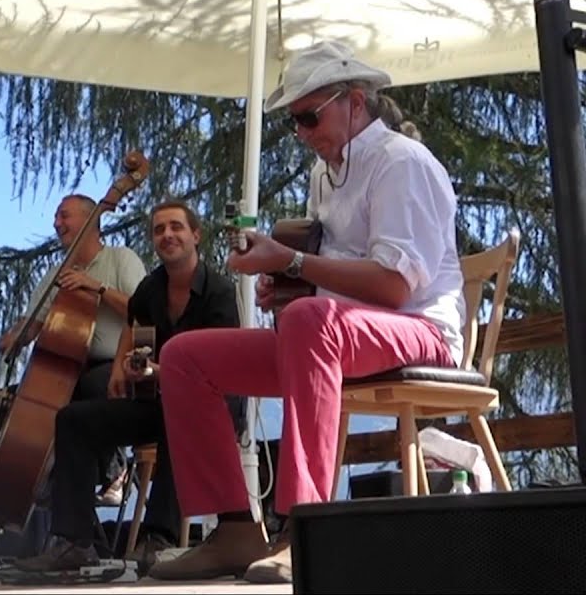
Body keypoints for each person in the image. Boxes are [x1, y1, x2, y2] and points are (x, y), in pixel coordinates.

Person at [151, 41, 464, 584]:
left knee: (307, 322)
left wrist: (295, 261)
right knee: (183, 356)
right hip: (331, 334)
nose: (300, 131)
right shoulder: (328, 172)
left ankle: (307, 524)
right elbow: (332, 271)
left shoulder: (401, 163)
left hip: (423, 331)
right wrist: (288, 281)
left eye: (308, 116)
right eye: (294, 120)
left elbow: (392, 286)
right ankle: (233, 528)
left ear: (356, 102)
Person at [14, 200, 240, 572]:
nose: (167, 235)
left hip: (209, 408)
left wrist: (160, 372)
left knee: (176, 416)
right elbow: (134, 322)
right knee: (73, 419)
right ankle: (74, 542)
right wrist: (122, 366)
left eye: (176, 227)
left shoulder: (219, 292)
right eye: (158, 229)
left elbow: (216, 374)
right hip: (162, 399)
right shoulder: (152, 288)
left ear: (195, 236)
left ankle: (158, 538)